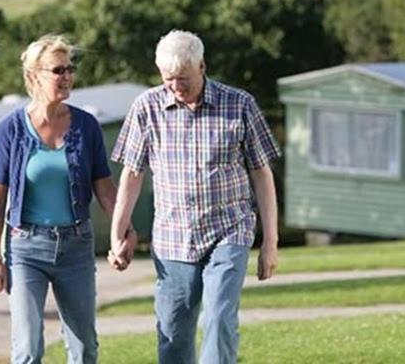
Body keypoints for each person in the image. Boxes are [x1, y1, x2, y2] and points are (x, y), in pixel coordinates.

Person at [108, 29, 280, 364]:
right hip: (173, 236)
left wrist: (270, 243)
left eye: (183, 79)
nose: (176, 87)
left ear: (202, 66)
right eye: (169, 79)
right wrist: (117, 234)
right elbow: (132, 174)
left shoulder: (239, 104)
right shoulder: (147, 107)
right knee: (173, 332)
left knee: (218, 317)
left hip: (230, 228)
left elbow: (262, 173)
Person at [0, 34, 135, 364]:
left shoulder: (86, 126)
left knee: (84, 348)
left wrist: (124, 229)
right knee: (27, 347)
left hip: (76, 246)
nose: (67, 76)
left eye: (70, 68)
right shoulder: (9, 131)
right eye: (57, 70)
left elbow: (105, 187)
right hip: (26, 248)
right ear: (33, 76)